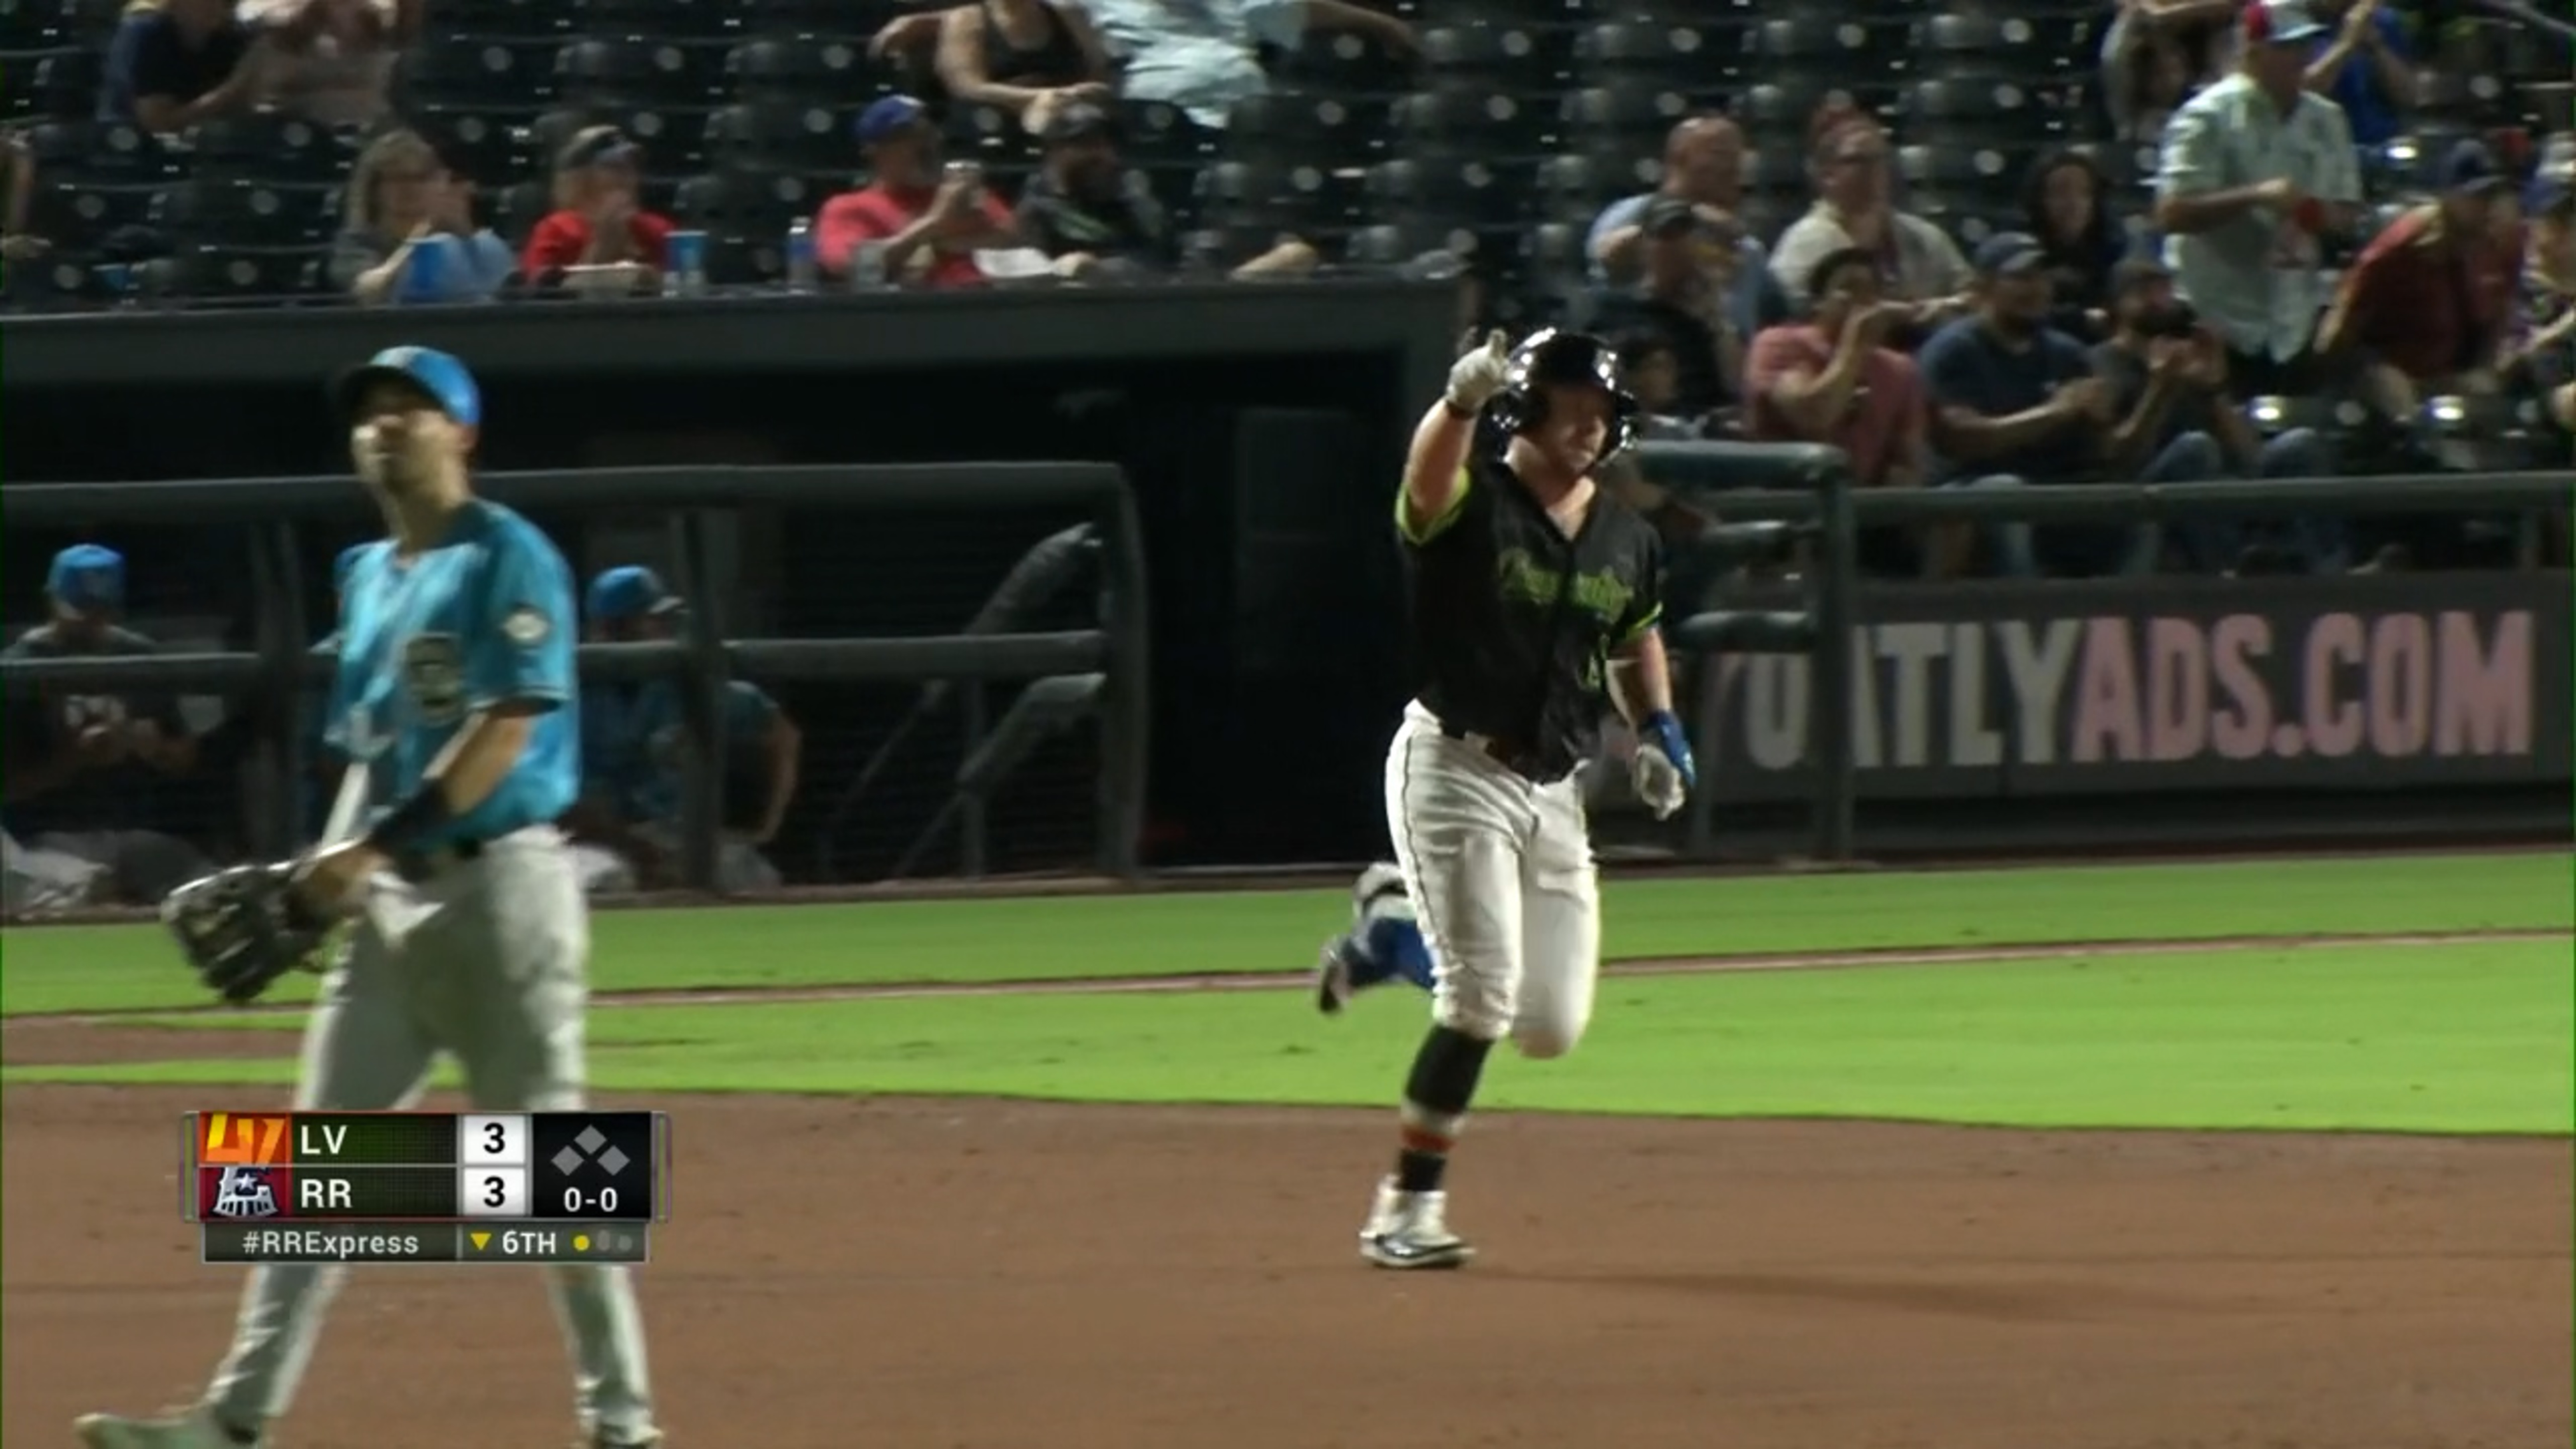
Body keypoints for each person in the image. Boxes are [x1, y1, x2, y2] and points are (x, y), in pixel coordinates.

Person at [72, 345, 660, 1449]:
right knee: (305, 1166)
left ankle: (623, 1423)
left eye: (414, 409)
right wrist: (323, 869)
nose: (387, 426)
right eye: (372, 414)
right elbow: (371, 749)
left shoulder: (510, 553)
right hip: (386, 902)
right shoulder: (367, 572)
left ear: (464, 433)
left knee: (549, 1168)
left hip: (503, 890)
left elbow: (504, 733)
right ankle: (234, 1417)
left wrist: (369, 848)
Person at [1336, 327, 1693, 1271]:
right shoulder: (1474, 500)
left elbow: (1632, 638)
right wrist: (1454, 404)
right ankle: (1405, 1210)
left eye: (1601, 410)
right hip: (1453, 766)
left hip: (1553, 787)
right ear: (1524, 409)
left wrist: (1656, 728)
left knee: (1548, 1027)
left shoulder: (1626, 535)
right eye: (1568, 404)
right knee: (1481, 999)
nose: (1586, 424)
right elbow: (1423, 486)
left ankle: (1390, 937)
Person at [2152, 0, 2364, 398]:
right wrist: (2255, 196)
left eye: (2306, 46)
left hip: (2293, 316)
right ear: (2254, 49)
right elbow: (2172, 212)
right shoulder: (2207, 116)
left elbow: (2348, 214)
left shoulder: (2327, 119)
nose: (2301, 58)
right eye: (2287, 47)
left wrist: (2310, 212)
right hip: (2218, 314)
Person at [1, 544, 214, 909]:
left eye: (101, 611)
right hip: (47, 836)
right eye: (81, 611)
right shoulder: (18, 667)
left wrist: (153, 746)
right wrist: (73, 759)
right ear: (52, 599)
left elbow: (186, 757)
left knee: (211, 891)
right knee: (89, 893)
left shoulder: (139, 655)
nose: (90, 622)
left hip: (134, 833)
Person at [565, 565, 800, 895]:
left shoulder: (682, 682)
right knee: (598, 883)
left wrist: (767, 825)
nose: (664, 629)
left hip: (680, 837)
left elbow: (781, 734)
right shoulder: (571, 695)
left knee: (754, 877)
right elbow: (561, 808)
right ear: (612, 629)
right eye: (652, 620)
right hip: (599, 842)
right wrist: (636, 850)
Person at [813, 93, 1020, 288]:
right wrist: (934, 222)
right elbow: (852, 267)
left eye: (928, 132)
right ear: (874, 150)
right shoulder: (850, 208)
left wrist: (943, 243)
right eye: (907, 136)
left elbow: (1020, 243)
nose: (925, 144)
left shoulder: (966, 195)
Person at [331, 129, 515, 305]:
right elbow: (371, 292)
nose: (410, 188)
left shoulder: (468, 242)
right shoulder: (358, 243)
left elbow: (501, 294)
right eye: (397, 178)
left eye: (421, 178)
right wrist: (420, 236)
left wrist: (465, 235)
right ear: (374, 189)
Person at [519, 126, 670, 292]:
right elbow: (540, 299)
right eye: (613, 168)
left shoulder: (656, 229)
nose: (627, 177)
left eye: (631, 167)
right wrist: (601, 248)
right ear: (580, 178)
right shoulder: (556, 231)